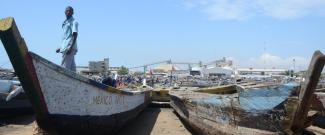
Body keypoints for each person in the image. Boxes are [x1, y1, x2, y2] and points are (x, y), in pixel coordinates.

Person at [56, 6, 78, 72]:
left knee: (64, 69)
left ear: (73, 13)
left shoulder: (74, 22)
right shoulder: (65, 22)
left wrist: (70, 47)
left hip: (69, 48)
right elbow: (66, 37)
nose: (68, 12)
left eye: (70, 11)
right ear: (65, 12)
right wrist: (61, 47)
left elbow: (75, 35)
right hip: (66, 47)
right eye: (67, 11)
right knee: (72, 70)